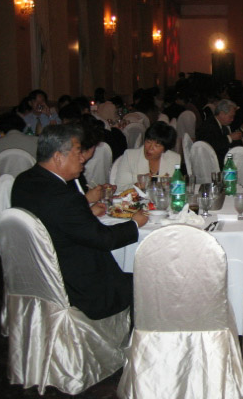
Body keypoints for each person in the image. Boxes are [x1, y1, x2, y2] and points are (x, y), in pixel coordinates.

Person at [11, 124, 148, 320]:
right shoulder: (65, 197)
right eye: (77, 153)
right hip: (78, 287)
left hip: (39, 275)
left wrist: (85, 212)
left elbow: (58, 220)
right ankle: (136, 336)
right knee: (146, 280)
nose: (83, 158)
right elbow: (104, 239)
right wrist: (134, 223)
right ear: (58, 157)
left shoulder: (23, 181)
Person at [113, 121, 180, 191]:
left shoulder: (174, 159)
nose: (150, 148)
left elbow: (176, 188)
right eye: (148, 142)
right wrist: (137, 186)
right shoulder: (130, 156)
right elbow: (119, 187)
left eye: (157, 145)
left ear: (165, 149)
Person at [196, 99, 243, 164]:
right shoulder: (209, 125)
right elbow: (211, 145)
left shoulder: (222, 124)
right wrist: (230, 137)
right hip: (211, 163)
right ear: (222, 114)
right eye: (231, 116)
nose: (232, 119)